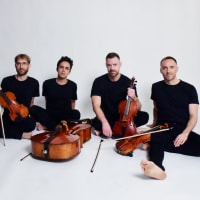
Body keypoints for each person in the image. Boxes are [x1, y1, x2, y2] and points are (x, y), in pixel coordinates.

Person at [141, 56, 200, 180]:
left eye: (172, 67)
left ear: (177, 69)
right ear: (161, 70)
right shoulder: (156, 87)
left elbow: (194, 116)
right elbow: (156, 108)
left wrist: (185, 133)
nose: (168, 71)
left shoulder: (189, 89)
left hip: (181, 128)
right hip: (162, 127)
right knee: (157, 139)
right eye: (165, 68)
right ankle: (157, 169)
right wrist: (154, 125)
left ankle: (152, 143)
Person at [90, 52, 149, 138]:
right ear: (106, 65)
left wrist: (134, 98)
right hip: (106, 116)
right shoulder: (98, 81)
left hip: (122, 116)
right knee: (97, 122)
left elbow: (139, 108)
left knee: (145, 116)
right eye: (109, 65)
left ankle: (106, 131)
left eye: (115, 64)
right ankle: (130, 131)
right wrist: (104, 122)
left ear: (120, 64)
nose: (112, 68)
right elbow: (96, 106)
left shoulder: (128, 82)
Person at [30, 56, 80, 131]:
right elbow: (47, 101)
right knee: (32, 109)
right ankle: (58, 126)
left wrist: (69, 117)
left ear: (69, 71)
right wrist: (46, 116)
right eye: (61, 67)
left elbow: (73, 103)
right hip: (51, 115)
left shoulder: (73, 85)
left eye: (66, 68)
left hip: (65, 116)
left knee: (76, 113)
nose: (63, 70)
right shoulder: (47, 83)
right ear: (57, 69)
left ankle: (48, 126)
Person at [0, 54, 39, 139]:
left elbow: (31, 103)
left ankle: (9, 132)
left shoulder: (34, 83)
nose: (21, 66)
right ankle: (21, 134)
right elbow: (2, 101)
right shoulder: (6, 81)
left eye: (24, 63)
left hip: (23, 117)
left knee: (31, 124)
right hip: (8, 116)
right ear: (15, 65)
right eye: (18, 63)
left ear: (29, 65)